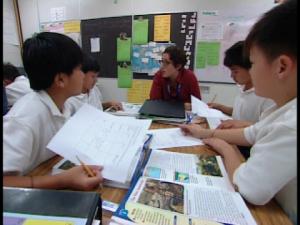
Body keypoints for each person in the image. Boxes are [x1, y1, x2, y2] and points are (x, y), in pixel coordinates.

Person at [180, 0, 296, 223]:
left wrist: (225, 147)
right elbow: (249, 133)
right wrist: (205, 134)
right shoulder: (282, 109)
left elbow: (249, 188)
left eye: (251, 63)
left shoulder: (291, 123)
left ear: (281, 67)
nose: (249, 70)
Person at [3, 32, 103, 190]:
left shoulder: (65, 105)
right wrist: (62, 180)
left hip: (44, 176)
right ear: (61, 80)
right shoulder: (24, 119)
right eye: (80, 69)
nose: (84, 75)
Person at [208, 41, 274, 129]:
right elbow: (241, 113)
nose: (232, 76)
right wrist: (220, 107)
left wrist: (240, 124)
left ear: (252, 67)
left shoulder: (266, 95)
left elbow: (268, 128)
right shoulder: (243, 88)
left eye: (235, 71)